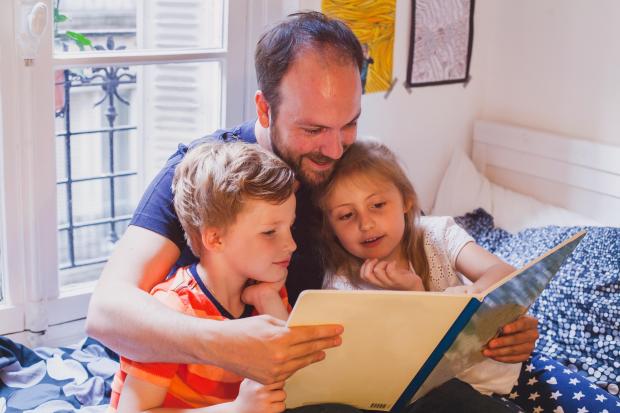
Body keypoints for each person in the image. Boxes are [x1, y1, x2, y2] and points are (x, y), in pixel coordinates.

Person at [86, 10, 538, 390]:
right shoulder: (206, 176)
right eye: (313, 129)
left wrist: (503, 323)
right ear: (264, 109)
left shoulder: (347, 170)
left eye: (349, 124)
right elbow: (106, 312)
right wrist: (223, 343)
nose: (335, 149)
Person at [110, 141, 359, 413]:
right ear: (215, 238)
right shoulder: (175, 309)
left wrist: (268, 300)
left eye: (290, 227)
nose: (291, 245)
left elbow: (290, 369)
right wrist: (237, 410)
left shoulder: (265, 286)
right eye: (269, 232)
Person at [315, 139, 527, 412]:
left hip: (489, 373)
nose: (365, 224)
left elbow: (504, 274)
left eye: (377, 205)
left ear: (406, 201)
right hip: (430, 395)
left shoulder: (436, 234)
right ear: (331, 227)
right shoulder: (340, 286)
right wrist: (413, 299)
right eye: (346, 215)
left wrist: (456, 302)